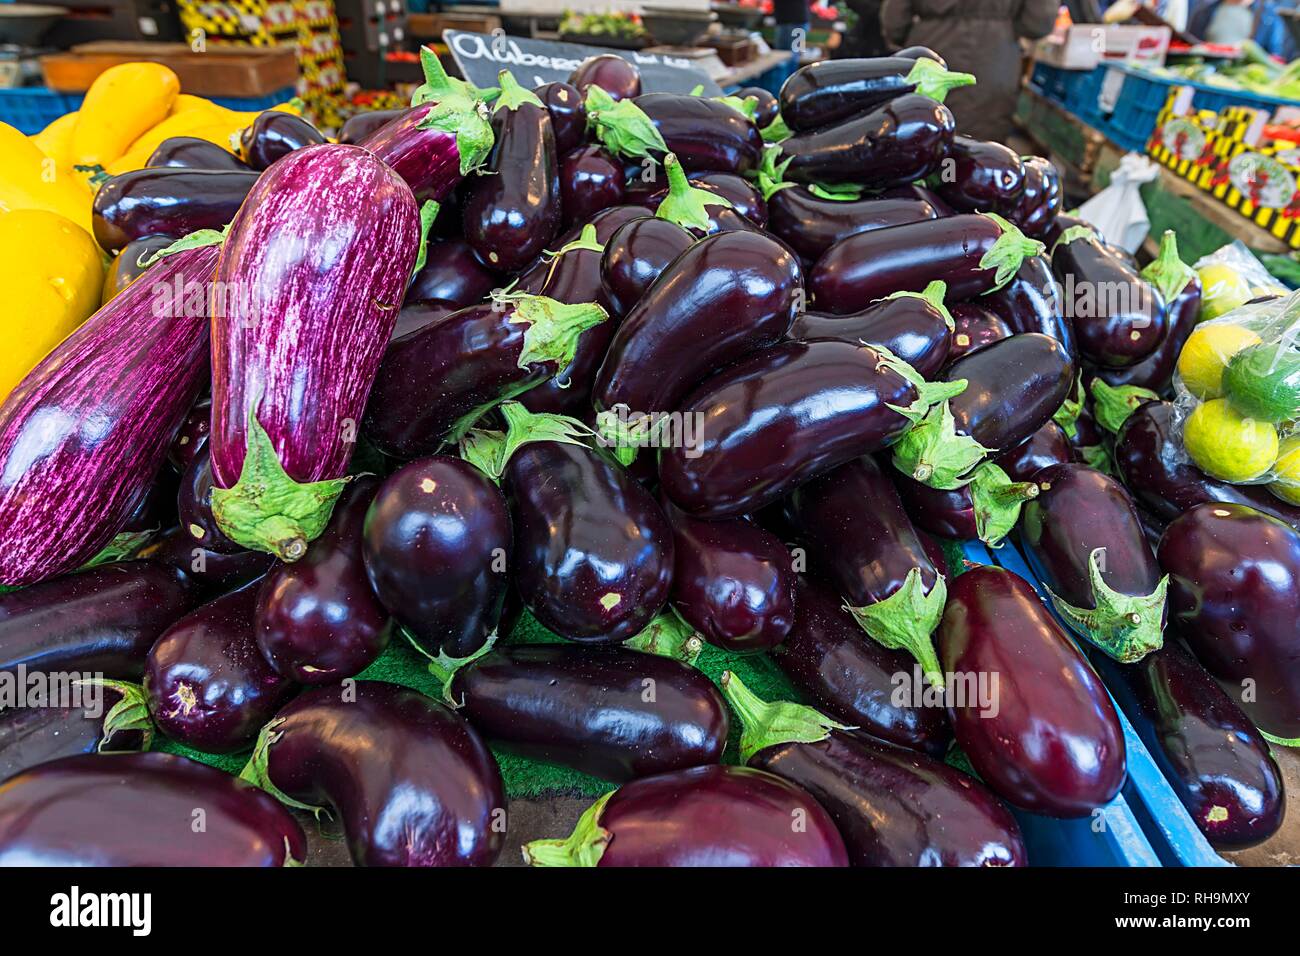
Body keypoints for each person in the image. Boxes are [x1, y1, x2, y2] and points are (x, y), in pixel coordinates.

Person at [881, 0, 1060, 141]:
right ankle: (954, 181)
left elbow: (895, 20)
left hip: (929, 57)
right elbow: (1038, 23)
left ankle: (927, 184)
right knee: (977, 155)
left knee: (919, 136)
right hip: (994, 59)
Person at [773, 0, 812, 87]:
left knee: (793, 58)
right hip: (783, 21)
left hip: (798, 22)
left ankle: (789, 88)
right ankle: (784, 88)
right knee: (781, 59)